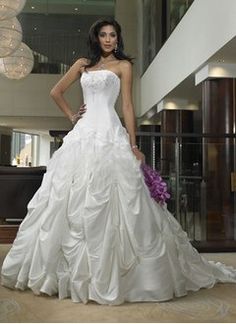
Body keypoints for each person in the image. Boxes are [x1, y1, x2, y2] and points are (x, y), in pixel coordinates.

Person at [1, 18, 236, 306]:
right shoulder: (83, 64)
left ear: (117, 38)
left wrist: (133, 144)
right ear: (96, 37)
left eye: (113, 35)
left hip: (110, 132)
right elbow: (55, 91)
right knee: (69, 196)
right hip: (84, 133)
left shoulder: (124, 66)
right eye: (104, 35)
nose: (109, 39)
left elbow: (126, 105)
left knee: (120, 198)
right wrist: (72, 117)